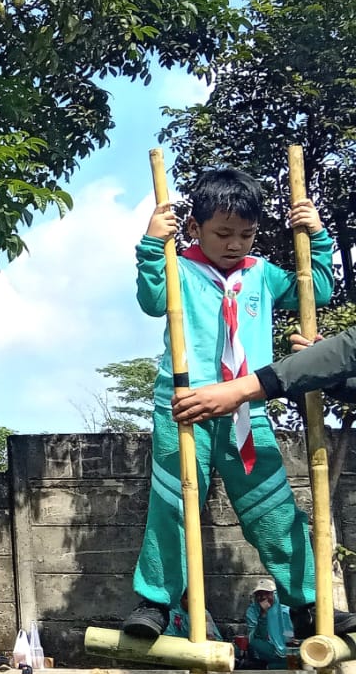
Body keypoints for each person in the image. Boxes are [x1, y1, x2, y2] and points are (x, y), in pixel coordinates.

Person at [123, 169, 346, 643]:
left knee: (275, 509)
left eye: (246, 234)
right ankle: (156, 603)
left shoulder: (261, 274)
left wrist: (318, 235)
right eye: (222, 234)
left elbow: (318, 291)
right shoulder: (178, 267)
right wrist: (149, 243)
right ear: (195, 228)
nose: (234, 244)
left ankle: (308, 604)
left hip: (248, 410)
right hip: (183, 407)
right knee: (174, 502)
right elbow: (150, 299)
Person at [242, 579, 295, 669]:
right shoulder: (252, 611)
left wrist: (290, 639)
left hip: (282, 646)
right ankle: (277, 665)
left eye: (267, 593)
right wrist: (263, 614)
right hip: (266, 646)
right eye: (259, 594)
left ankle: (269, 666)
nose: (263, 597)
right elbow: (257, 636)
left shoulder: (284, 610)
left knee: (300, 653)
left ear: (274, 595)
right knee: (254, 644)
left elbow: (288, 632)